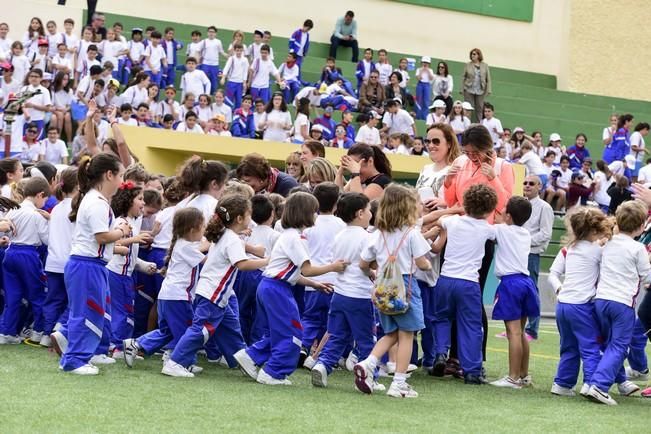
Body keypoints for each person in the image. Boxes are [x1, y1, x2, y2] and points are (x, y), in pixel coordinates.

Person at [234, 192, 346, 385]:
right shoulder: (294, 238)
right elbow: (307, 269)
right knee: (292, 332)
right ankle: (274, 372)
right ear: (305, 213)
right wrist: (332, 267)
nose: (316, 216)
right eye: (314, 211)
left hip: (270, 286)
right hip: (277, 289)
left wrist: (315, 285)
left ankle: (251, 356)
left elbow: (291, 272)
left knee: (276, 331)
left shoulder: (289, 236)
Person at [160, 196, 268, 377]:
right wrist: (267, 261)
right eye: (249, 214)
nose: (251, 218)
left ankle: (242, 360)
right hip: (213, 294)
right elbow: (241, 264)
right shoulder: (230, 238)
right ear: (239, 219)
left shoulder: (225, 234)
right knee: (201, 330)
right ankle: (175, 362)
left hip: (214, 293)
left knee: (231, 329)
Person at [353, 183, 432, 398]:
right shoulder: (412, 234)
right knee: (407, 335)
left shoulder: (378, 235)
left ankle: (369, 363)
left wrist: (374, 272)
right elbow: (422, 262)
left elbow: (363, 263)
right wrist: (429, 266)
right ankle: (399, 383)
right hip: (405, 287)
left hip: (382, 288)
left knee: (391, 333)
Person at [56, 154, 130, 374]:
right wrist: (122, 231)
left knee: (92, 312)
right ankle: (75, 360)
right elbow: (102, 236)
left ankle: (79, 356)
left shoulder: (94, 199)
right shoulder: (97, 202)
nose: (121, 182)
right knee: (87, 313)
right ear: (109, 175)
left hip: (88, 264)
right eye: (120, 176)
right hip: (87, 264)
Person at [123, 207, 207, 367]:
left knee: (167, 331)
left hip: (168, 296)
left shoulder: (182, 244)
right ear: (192, 230)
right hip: (179, 297)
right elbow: (207, 262)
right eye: (203, 227)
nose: (204, 230)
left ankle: (136, 344)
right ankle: (183, 362)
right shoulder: (187, 247)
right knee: (186, 330)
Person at [587, 200, 650, 405]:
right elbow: (647, 277)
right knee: (619, 346)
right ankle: (599, 385)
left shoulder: (607, 243)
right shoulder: (638, 248)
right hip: (622, 304)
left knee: (608, 344)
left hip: (601, 300)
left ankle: (618, 381)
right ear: (641, 227)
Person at [311, 192, 376, 387]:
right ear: (360, 214)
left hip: (340, 294)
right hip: (360, 295)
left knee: (337, 334)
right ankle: (368, 376)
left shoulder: (340, 235)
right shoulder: (367, 238)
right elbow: (367, 264)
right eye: (369, 210)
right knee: (366, 338)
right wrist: (372, 272)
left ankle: (323, 365)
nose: (371, 214)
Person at [547, 207, 611, 397]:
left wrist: (560, 289)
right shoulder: (598, 252)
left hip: (563, 304)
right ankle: (591, 383)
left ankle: (562, 384)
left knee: (568, 346)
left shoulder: (568, 250)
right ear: (593, 231)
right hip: (583, 305)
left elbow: (553, 274)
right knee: (591, 346)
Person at [490, 196, 539, 389]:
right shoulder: (525, 233)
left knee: (513, 332)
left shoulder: (502, 230)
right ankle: (523, 375)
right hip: (526, 282)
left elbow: (487, 227)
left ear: (508, 216)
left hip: (511, 283)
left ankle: (512, 378)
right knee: (521, 332)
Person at [106, 182, 156, 358]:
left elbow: (131, 256)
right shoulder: (121, 223)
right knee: (121, 311)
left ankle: (121, 345)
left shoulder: (132, 224)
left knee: (127, 311)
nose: (143, 203)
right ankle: (115, 346)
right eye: (140, 199)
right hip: (116, 274)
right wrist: (134, 239)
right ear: (128, 201)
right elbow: (112, 244)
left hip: (126, 275)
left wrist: (143, 265)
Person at [300, 183, 346, 368]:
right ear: (336, 203)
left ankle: (303, 346)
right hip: (335, 281)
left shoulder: (309, 224)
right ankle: (324, 355)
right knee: (331, 322)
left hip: (312, 280)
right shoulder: (342, 225)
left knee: (310, 318)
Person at [0, 177, 50, 344]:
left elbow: (5, 231)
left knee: (12, 294)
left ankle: (7, 332)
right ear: (40, 195)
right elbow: (47, 239)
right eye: (45, 199)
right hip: (28, 254)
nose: (45, 202)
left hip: (10, 252)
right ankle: (38, 331)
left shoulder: (13, 209)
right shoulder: (36, 214)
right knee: (37, 293)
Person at [40, 167, 78, 348]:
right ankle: (60, 328)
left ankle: (47, 335)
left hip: (53, 261)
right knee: (74, 300)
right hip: (71, 261)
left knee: (53, 300)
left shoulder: (56, 208)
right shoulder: (78, 208)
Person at [462, 48, 491, 122]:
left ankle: (479, 124)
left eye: (474, 54)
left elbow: (488, 79)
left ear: (479, 55)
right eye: (471, 54)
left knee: (480, 108)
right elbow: (463, 77)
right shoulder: (468, 65)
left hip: (480, 90)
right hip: (469, 89)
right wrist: (462, 89)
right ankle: (467, 124)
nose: (472, 55)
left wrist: (488, 90)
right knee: (468, 108)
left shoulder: (485, 65)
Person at [220, 43, 249, 109]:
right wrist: (223, 77)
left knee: (239, 100)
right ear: (234, 50)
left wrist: (244, 82)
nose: (239, 52)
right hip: (231, 82)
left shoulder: (245, 60)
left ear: (242, 51)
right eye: (237, 50)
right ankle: (227, 113)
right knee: (228, 99)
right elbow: (226, 68)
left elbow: (245, 71)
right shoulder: (231, 58)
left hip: (240, 83)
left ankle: (237, 114)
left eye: (240, 50)